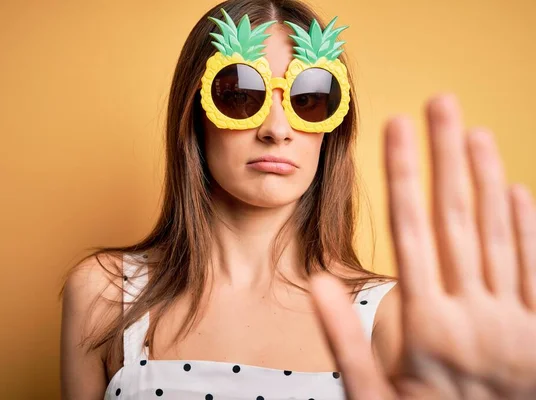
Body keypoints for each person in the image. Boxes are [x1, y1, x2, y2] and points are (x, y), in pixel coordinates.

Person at [60, 1, 536, 399]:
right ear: (196, 113)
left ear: (332, 127)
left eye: (309, 98)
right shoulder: (105, 294)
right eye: (242, 93)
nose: (276, 129)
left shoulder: (390, 319)